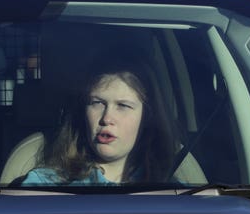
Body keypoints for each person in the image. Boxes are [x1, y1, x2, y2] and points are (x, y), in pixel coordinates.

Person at [21, 56, 175, 186]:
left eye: (123, 105)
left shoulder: (174, 192)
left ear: (147, 117)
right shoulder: (43, 185)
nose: (107, 118)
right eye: (97, 103)